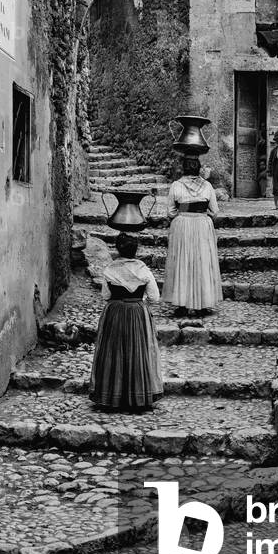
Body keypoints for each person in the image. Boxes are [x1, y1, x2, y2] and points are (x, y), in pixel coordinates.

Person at [89, 235, 163, 413]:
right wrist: (139, 297)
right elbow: (155, 297)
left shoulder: (110, 270)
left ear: (118, 250)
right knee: (138, 350)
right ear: (135, 251)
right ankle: (138, 395)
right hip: (137, 312)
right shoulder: (143, 270)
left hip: (114, 312)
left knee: (113, 351)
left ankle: (111, 394)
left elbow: (105, 296)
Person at [162, 155, 223, 314]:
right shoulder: (207, 186)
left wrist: (183, 214)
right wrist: (203, 213)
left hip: (182, 225)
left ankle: (181, 304)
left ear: (184, 168)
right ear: (198, 169)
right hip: (202, 224)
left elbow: (170, 212)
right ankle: (203, 303)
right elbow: (215, 212)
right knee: (202, 260)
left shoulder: (176, 185)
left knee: (183, 260)